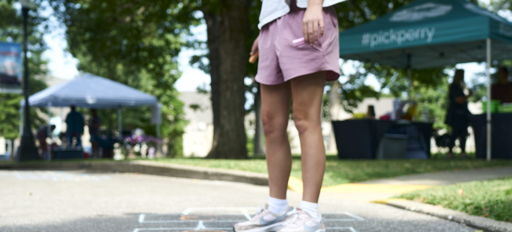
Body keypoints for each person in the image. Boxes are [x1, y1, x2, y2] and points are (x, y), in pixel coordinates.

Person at [234, 0, 343, 231]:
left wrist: (314, 5)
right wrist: (266, 28)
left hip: (305, 13)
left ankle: (310, 213)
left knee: (305, 119)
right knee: (271, 123)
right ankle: (277, 208)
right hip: (272, 24)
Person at [445, 69, 471, 157]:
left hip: (462, 115)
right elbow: (457, 100)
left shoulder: (461, 86)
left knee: (463, 134)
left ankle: (463, 151)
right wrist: (468, 95)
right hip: (455, 115)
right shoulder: (454, 86)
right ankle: (450, 151)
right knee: (455, 133)